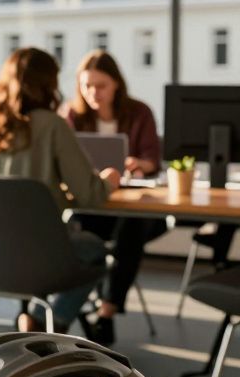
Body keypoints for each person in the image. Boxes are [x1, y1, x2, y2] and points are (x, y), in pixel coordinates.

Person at [0, 47, 120, 334]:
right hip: (43, 254)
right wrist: (109, 180)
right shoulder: (52, 126)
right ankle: (49, 320)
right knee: (95, 249)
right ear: (49, 84)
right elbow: (89, 194)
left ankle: (41, 322)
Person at [63, 49, 167, 344]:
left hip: (136, 210)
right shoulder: (71, 115)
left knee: (131, 227)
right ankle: (65, 313)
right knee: (79, 231)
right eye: (87, 85)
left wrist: (138, 164)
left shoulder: (140, 112)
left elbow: (153, 160)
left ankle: (106, 311)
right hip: (93, 206)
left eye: (101, 85)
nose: (93, 92)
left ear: (116, 84)